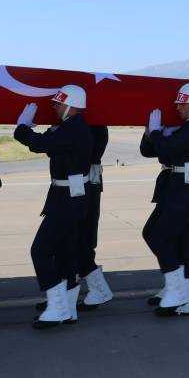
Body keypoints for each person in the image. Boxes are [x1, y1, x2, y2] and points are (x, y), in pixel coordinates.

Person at [14, 84, 93, 329]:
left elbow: (38, 144)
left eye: (57, 104)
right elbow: (50, 145)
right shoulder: (72, 128)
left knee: (41, 249)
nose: (54, 108)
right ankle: (67, 308)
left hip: (67, 199)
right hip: (69, 196)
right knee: (64, 252)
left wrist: (21, 128)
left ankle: (57, 306)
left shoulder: (74, 129)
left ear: (70, 106)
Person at [140, 82, 189, 316]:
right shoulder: (187, 126)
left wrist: (157, 133)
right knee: (180, 242)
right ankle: (180, 293)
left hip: (187, 192)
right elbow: (151, 151)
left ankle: (178, 291)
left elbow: (167, 150)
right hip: (178, 189)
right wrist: (149, 133)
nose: (178, 108)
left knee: (157, 234)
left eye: (182, 104)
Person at [78, 125, 114, 309]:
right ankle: (65, 290)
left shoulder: (93, 123)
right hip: (85, 182)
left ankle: (99, 289)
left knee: (81, 240)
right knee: (71, 241)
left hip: (86, 183)